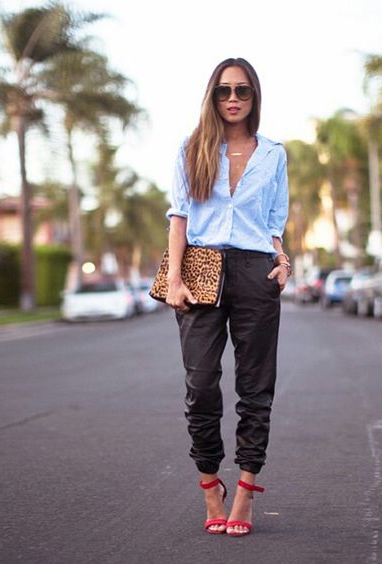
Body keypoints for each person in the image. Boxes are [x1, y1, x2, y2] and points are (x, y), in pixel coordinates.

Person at [165, 57, 290, 537]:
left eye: (242, 90)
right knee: (201, 388)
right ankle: (209, 484)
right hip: (200, 267)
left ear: (254, 97)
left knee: (256, 389)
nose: (233, 98)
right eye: (224, 90)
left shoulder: (273, 153)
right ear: (212, 97)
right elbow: (179, 216)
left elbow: (274, 218)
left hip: (257, 271)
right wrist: (175, 277)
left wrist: (281, 261)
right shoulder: (192, 148)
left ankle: (244, 493)